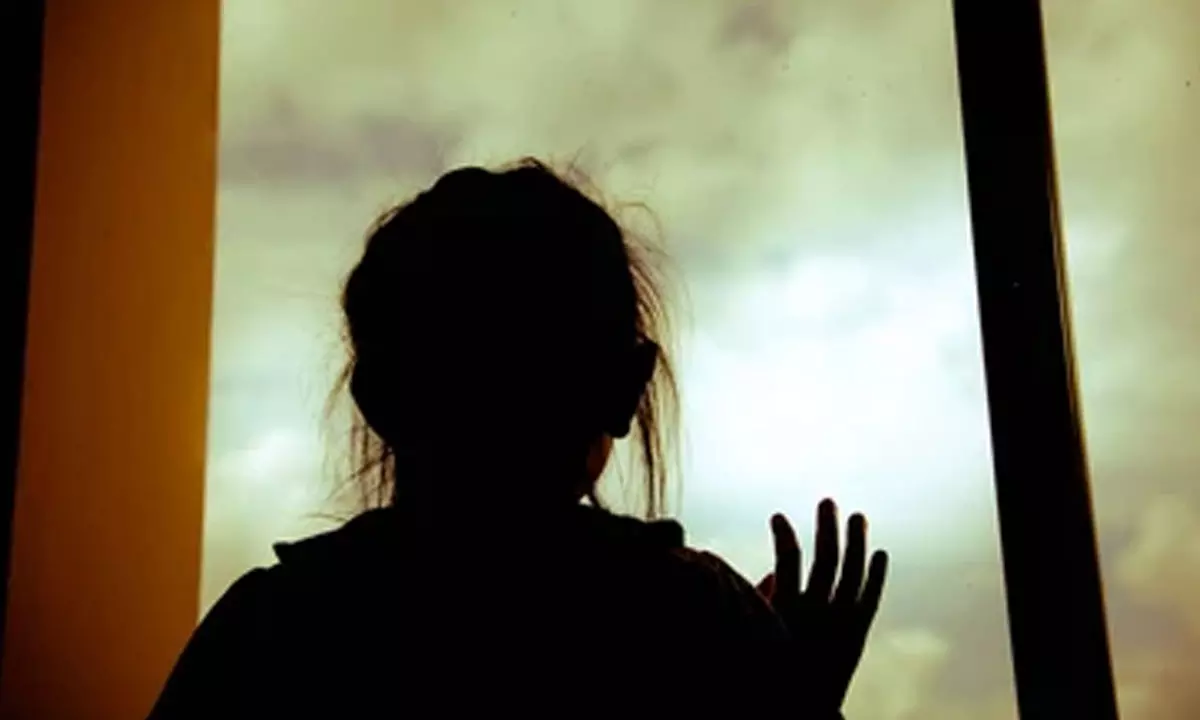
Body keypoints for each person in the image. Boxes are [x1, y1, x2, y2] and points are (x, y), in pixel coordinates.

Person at [148, 159, 888, 718]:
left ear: (376, 400)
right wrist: (795, 695)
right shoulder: (700, 620)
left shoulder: (272, 627)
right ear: (627, 387)